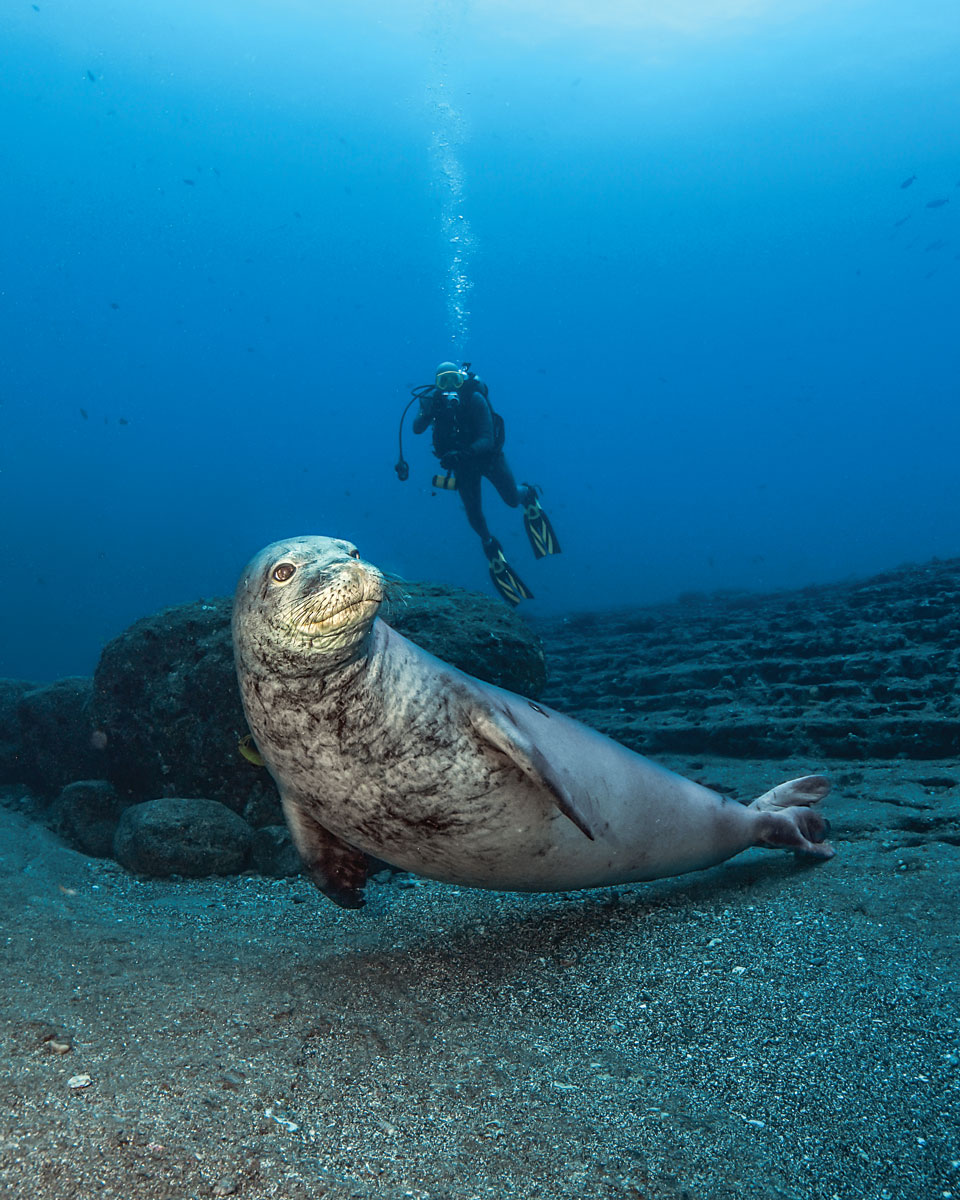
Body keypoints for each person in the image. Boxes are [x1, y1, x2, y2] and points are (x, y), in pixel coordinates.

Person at [411, 361, 560, 605]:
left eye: (454, 381)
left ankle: (528, 494)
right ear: (437, 384)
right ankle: (488, 543)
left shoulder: (475, 399)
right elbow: (417, 429)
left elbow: (488, 439)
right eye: (443, 381)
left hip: (488, 459)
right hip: (463, 465)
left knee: (512, 499)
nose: (449, 387)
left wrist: (463, 453)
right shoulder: (433, 402)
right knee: (473, 511)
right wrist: (426, 410)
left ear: (462, 382)